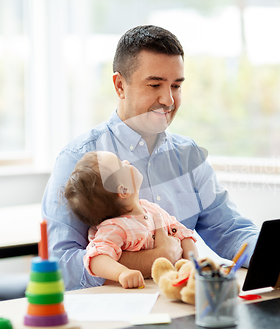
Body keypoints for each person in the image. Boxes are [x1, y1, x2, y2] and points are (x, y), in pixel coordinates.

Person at [41, 25, 259, 290]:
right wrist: (154, 259)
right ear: (120, 85)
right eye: (155, 84)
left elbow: (229, 229)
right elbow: (60, 265)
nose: (168, 99)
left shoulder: (189, 155)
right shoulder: (77, 158)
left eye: (176, 86)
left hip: (183, 306)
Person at [63, 151, 198, 289]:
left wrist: (193, 266)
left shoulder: (152, 209)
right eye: (121, 164)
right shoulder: (116, 227)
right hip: (137, 295)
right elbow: (96, 258)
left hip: (165, 289)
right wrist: (122, 273)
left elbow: (183, 235)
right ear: (124, 191)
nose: (127, 161)